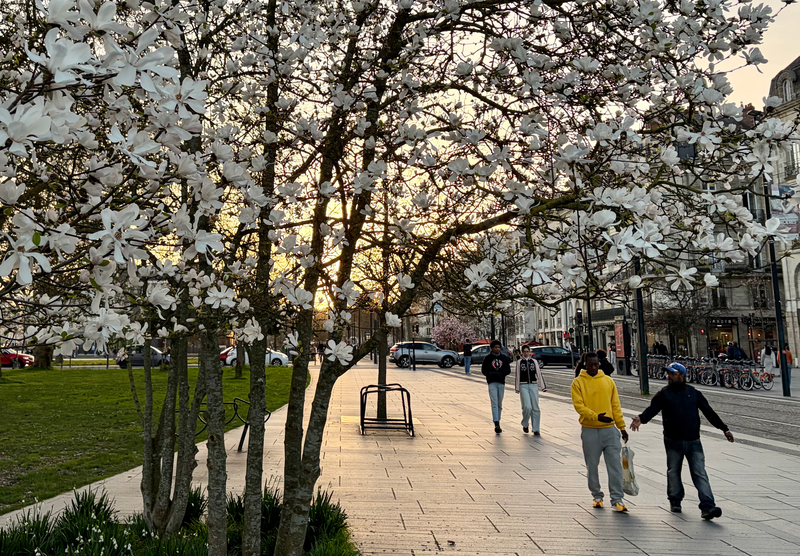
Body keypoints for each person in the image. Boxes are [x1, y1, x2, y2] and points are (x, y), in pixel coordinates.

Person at [630, 362, 734, 520]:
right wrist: (641, 419)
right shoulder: (664, 393)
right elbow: (653, 409)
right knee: (673, 471)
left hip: (693, 440)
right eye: (669, 373)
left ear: (681, 375)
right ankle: (675, 500)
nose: (669, 376)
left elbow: (709, 412)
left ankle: (708, 506)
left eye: (672, 373)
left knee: (700, 473)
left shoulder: (694, 393)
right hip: (673, 440)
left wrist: (724, 428)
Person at [571, 352, 629, 512]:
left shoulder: (608, 381)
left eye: (597, 364)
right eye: (591, 365)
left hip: (610, 430)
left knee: (615, 466)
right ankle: (597, 495)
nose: (594, 367)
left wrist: (622, 427)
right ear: (585, 365)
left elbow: (615, 405)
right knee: (592, 466)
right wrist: (595, 416)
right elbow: (579, 406)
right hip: (590, 430)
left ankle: (617, 499)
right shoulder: (578, 383)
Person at [514, 345, 547, 435]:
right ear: (522, 352)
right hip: (523, 385)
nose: (526, 353)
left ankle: (536, 429)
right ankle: (525, 423)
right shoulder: (519, 362)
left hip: (533, 385)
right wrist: (517, 388)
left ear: (529, 352)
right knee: (527, 407)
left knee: (535, 407)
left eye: (527, 351)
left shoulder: (534, 361)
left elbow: (539, 374)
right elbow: (517, 375)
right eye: (524, 352)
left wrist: (542, 386)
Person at [481, 340, 511, 433]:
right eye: (495, 347)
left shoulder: (504, 358)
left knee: (499, 403)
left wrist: (502, 374)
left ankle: (499, 418)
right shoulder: (488, 358)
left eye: (499, 347)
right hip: (492, 382)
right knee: (494, 402)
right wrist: (490, 375)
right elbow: (484, 370)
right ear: (492, 348)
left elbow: (508, 369)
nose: (497, 349)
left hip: (501, 382)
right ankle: (496, 422)